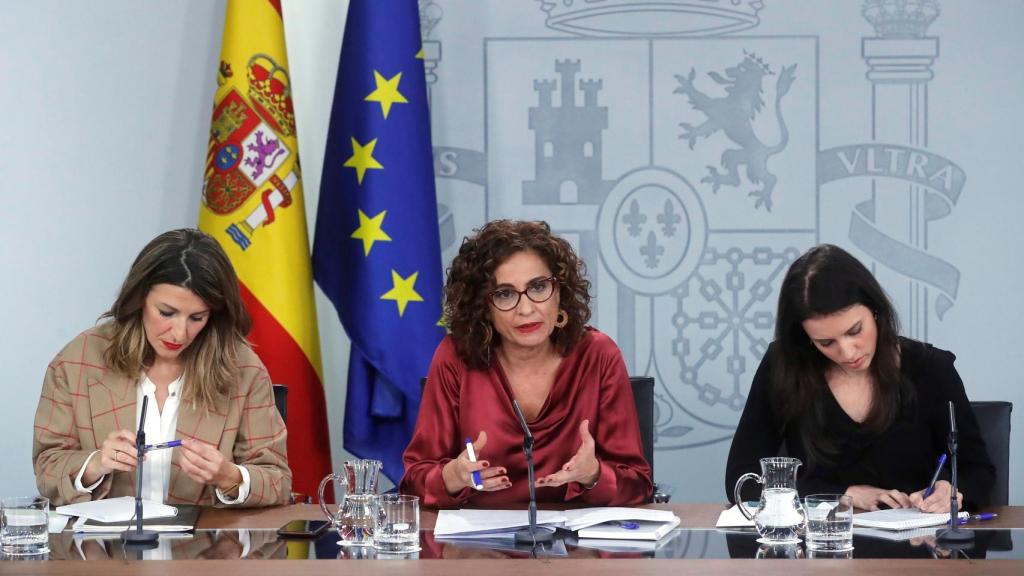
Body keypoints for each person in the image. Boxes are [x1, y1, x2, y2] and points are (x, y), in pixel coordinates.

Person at [400, 220, 653, 507]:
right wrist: (453, 476)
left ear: (560, 292)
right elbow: (413, 483)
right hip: (476, 549)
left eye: (538, 286)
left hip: (579, 549)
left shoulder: (598, 355)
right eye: (504, 293)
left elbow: (638, 484)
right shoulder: (455, 356)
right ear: (483, 306)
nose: (526, 308)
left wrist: (593, 474)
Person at [726, 244, 995, 511]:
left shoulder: (931, 369)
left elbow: (979, 472)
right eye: (825, 342)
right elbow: (741, 479)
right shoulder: (784, 365)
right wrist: (840, 494)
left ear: (875, 311)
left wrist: (953, 492)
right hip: (821, 545)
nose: (847, 352)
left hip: (917, 545)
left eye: (855, 330)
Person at [33, 229, 291, 507]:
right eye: (166, 313)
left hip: (205, 548)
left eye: (197, 317)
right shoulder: (76, 361)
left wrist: (230, 477)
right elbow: (47, 468)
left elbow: (278, 480)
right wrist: (96, 463)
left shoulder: (243, 368)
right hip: (105, 549)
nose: (179, 333)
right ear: (139, 298)